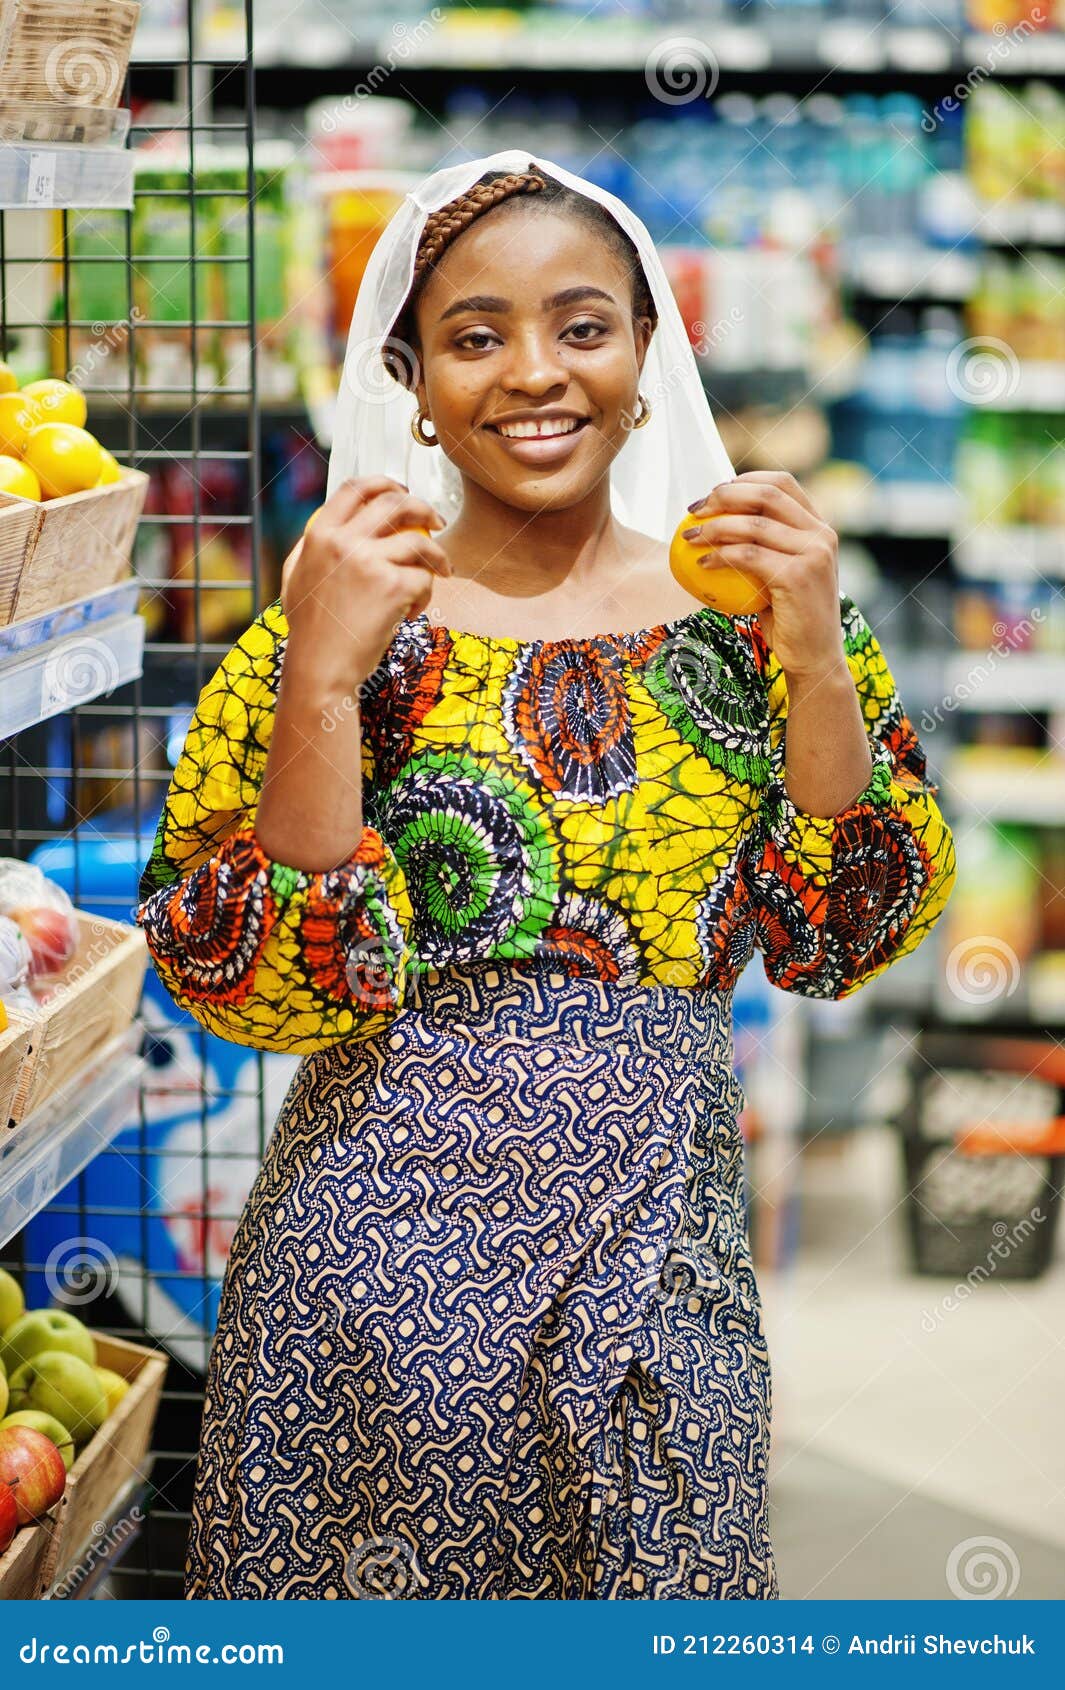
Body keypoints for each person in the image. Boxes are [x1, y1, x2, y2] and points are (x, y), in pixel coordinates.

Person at [135, 151, 957, 1600]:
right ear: (412, 380)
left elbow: (843, 925)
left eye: (583, 326)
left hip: (657, 1261)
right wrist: (322, 678)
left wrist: (818, 652)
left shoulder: (750, 616)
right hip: (365, 1287)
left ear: (646, 356)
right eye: (474, 336)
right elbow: (254, 984)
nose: (535, 374)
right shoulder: (329, 622)